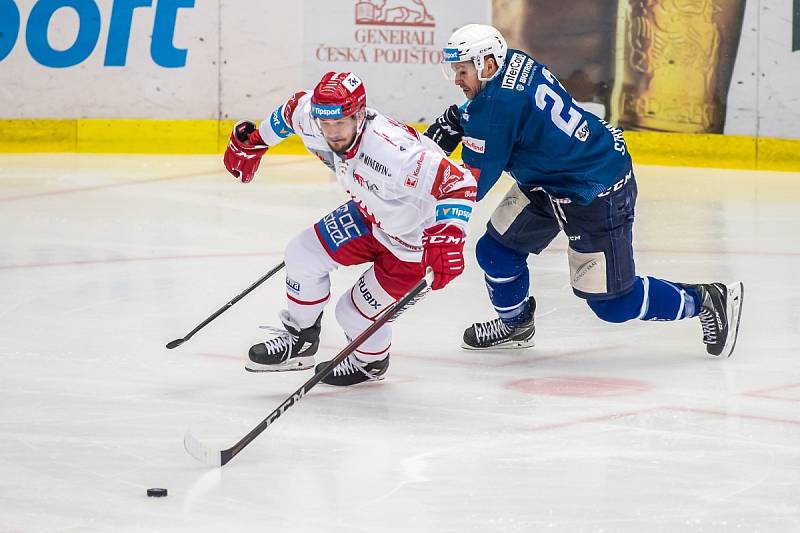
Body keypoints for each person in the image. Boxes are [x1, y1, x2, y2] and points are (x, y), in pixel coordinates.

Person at [423, 24, 744, 357]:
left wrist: (428, 179)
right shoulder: (513, 61)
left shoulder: (494, 111)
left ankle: (706, 300)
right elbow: (507, 113)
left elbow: (470, 186)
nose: (458, 79)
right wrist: (463, 120)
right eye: (455, 70)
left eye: (463, 70)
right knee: (495, 252)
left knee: (614, 305)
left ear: (487, 64)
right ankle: (516, 324)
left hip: (594, 190)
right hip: (551, 179)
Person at [223, 71, 477, 386]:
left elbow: (459, 181)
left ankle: (369, 363)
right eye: (325, 124)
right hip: (369, 216)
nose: (332, 133)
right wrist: (258, 140)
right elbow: (292, 109)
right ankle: (300, 340)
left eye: (340, 123)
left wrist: (448, 237)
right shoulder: (315, 119)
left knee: (351, 314)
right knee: (301, 255)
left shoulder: (393, 152)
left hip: (411, 244)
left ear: (360, 114)